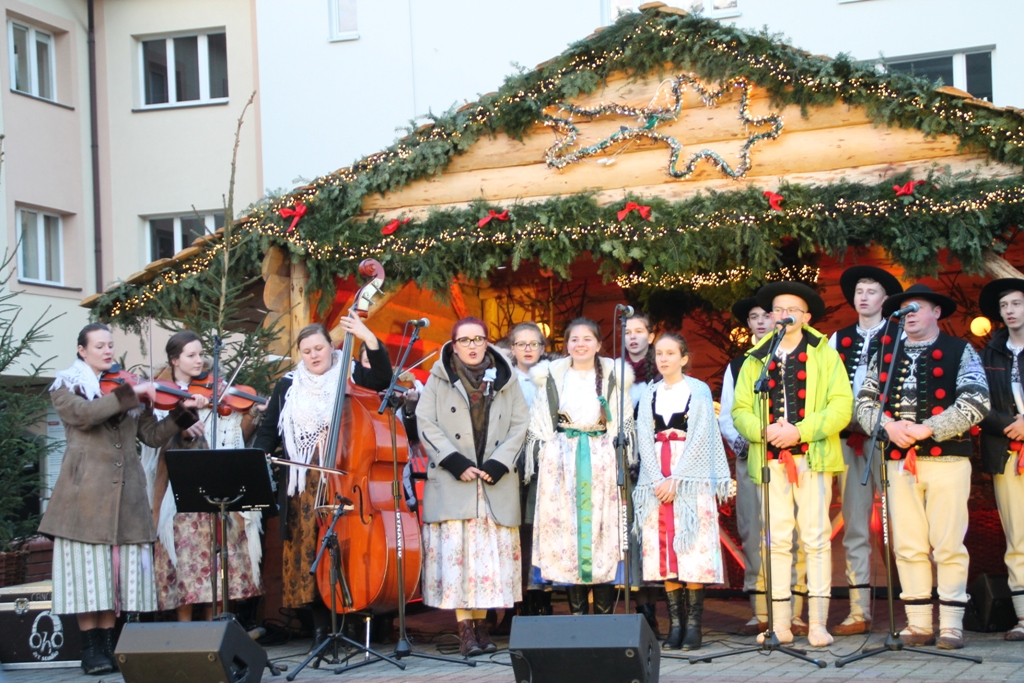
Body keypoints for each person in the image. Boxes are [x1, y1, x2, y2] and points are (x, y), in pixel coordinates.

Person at [39, 323, 205, 675]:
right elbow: (84, 416)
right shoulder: (67, 385)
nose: (107, 351)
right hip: (83, 495)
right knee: (88, 577)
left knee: (113, 577)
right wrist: (133, 392)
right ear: (82, 350)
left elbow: (152, 436)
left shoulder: (127, 387)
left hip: (127, 493)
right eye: (99, 345)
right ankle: (91, 649)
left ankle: (110, 645)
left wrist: (183, 413)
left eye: (110, 345)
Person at [856, 284, 989, 650]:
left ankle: (951, 625)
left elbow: (977, 400)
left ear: (936, 312)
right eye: (904, 309)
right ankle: (917, 623)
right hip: (899, 463)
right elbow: (864, 403)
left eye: (917, 307)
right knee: (908, 544)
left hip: (948, 460)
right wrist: (888, 426)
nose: (909, 314)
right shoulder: (886, 351)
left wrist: (928, 428)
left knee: (948, 544)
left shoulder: (960, 349)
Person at [253, 318, 392, 645]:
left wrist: (368, 337)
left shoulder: (350, 374)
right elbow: (269, 430)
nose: (314, 355)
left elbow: (382, 378)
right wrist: (259, 458)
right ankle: (320, 629)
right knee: (308, 551)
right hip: (302, 483)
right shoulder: (288, 385)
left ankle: (348, 623)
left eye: (319, 348)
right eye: (307, 351)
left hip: (345, 475)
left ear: (332, 347)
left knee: (345, 549)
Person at [732, 282, 852, 647]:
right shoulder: (755, 358)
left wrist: (799, 431)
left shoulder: (825, 354)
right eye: (779, 310)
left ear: (807, 317)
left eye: (793, 310)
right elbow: (740, 409)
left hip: (812, 458)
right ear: (771, 317)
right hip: (770, 461)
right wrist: (763, 431)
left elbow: (841, 406)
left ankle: (817, 622)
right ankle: (779, 623)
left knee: (815, 539)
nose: (785, 315)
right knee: (776, 541)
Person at [415, 317, 529, 657]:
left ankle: (482, 626)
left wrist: (500, 462)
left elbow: (520, 423)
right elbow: (426, 422)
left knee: (486, 561)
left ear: (487, 341)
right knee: (459, 560)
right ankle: (465, 629)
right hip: (456, 481)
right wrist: (453, 461)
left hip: (494, 482)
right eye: (464, 340)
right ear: (454, 345)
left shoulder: (507, 377)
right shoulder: (439, 378)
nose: (472, 345)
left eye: (478, 339)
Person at [145, 330, 264, 622]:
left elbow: (234, 436)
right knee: (185, 564)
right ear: (175, 360)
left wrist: (255, 414)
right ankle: (185, 632)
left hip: (216, 487)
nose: (199, 360)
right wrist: (182, 424)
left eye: (201, 354)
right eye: (191, 355)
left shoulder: (214, 389)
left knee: (218, 567)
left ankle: (217, 631)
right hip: (179, 491)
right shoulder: (162, 396)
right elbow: (156, 444)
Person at [526, 318, 634, 615]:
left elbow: (622, 423)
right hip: (563, 463)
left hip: (601, 461)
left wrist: (615, 456)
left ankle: (603, 616)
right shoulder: (553, 377)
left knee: (602, 531)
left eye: (587, 339)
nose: (580, 344)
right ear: (566, 345)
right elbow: (540, 423)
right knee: (568, 533)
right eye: (574, 339)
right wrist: (549, 453)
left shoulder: (613, 377)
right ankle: (577, 617)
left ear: (598, 345)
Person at [633, 333, 733, 650]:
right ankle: (675, 625)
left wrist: (677, 479)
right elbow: (643, 437)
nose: (664, 358)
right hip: (656, 479)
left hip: (691, 477)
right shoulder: (649, 394)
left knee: (691, 547)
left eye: (670, 353)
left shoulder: (698, 390)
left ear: (684, 358)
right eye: (659, 353)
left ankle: (693, 626)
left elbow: (701, 436)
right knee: (664, 550)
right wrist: (656, 480)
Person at [828, 266, 903, 634]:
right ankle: (859, 611)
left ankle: (915, 608)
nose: (863, 296)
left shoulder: (899, 335)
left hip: (889, 441)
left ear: (885, 299)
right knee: (855, 526)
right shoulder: (837, 338)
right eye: (859, 290)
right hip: (849, 440)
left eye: (872, 291)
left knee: (902, 525)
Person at [719, 297, 776, 634]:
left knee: (788, 533)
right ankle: (760, 609)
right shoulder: (738, 365)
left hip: (787, 457)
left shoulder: (793, 357)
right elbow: (727, 415)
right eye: (754, 317)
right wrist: (746, 444)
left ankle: (792, 608)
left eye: (766, 315)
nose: (760, 322)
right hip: (750, 456)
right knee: (752, 531)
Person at [979, 278, 1024, 641]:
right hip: (1007, 452)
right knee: (1017, 535)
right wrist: (1011, 425)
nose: (1010, 311)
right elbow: (978, 402)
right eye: (1004, 306)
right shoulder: (990, 352)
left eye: (1016, 303)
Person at [508, 322, 554, 618]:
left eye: (533, 344)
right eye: (521, 344)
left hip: (545, 461)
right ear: (512, 349)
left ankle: (541, 597)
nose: (528, 349)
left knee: (541, 527)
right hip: (511, 461)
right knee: (516, 529)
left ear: (542, 348)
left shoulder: (553, 377)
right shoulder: (503, 378)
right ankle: (516, 601)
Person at [622, 312, 663, 635]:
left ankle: (656, 608)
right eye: (627, 331)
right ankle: (640, 610)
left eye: (639, 331)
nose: (633, 337)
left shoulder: (661, 372)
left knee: (653, 532)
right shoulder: (613, 372)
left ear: (650, 336)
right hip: (624, 462)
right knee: (630, 534)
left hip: (657, 462)